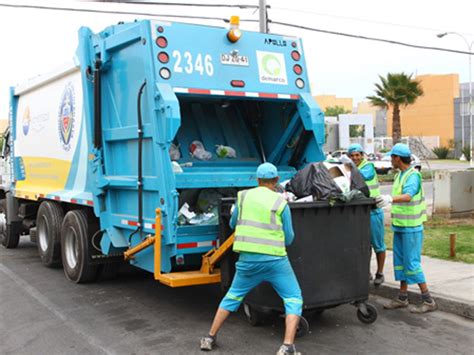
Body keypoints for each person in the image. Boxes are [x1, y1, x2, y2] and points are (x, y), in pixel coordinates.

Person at [200, 162, 303, 355]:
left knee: (232, 297)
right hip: (275, 261)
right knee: (293, 298)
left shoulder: (243, 197)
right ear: (276, 180)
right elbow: (289, 238)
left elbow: (232, 223)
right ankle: (288, 346)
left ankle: (210, 337)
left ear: (257, 180)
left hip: (247, 261)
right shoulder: (281, 202)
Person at [376, 143, 437, 313]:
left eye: (392, 157)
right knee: (401, 263)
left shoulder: (413, 176)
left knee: (412, 264)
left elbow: (408, 196)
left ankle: (428, 300)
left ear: (397, 158)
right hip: (401, 227)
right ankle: (402, 298)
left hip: (412, 228)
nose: (390, 160)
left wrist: (390, 199)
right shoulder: (400, 175)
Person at [348, 144, 386, 286]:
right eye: (352, 156)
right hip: (361, 212)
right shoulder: (350, 168)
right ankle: (366, 271)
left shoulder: (368, 166)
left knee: (378, 245)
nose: (355, 158)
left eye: (357, 155)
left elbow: (361, 176)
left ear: (362, 155)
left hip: (374, 211)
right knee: (364, 245)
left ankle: (380, 273)